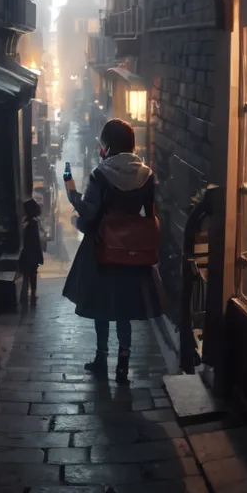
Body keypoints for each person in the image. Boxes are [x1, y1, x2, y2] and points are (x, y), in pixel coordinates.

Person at [63, 118, 161, 383]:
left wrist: (72, 195)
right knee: (125, 311)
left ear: (107, 144)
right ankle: (123, 362)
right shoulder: (147, 175)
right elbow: (150, 215)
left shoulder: (101, 174)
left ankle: (101, 357)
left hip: (103, 251)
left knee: (102, 307)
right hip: (132, 253)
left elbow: (90, 211)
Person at [19, 199, 44, 304]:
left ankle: (24, 296)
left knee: (26, 275)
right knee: (32, 275)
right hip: (32, 254)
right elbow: (36, 241)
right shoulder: (33, 223)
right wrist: (40, 256)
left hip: (26, 254)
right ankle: (32, 295)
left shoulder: (25, 222)